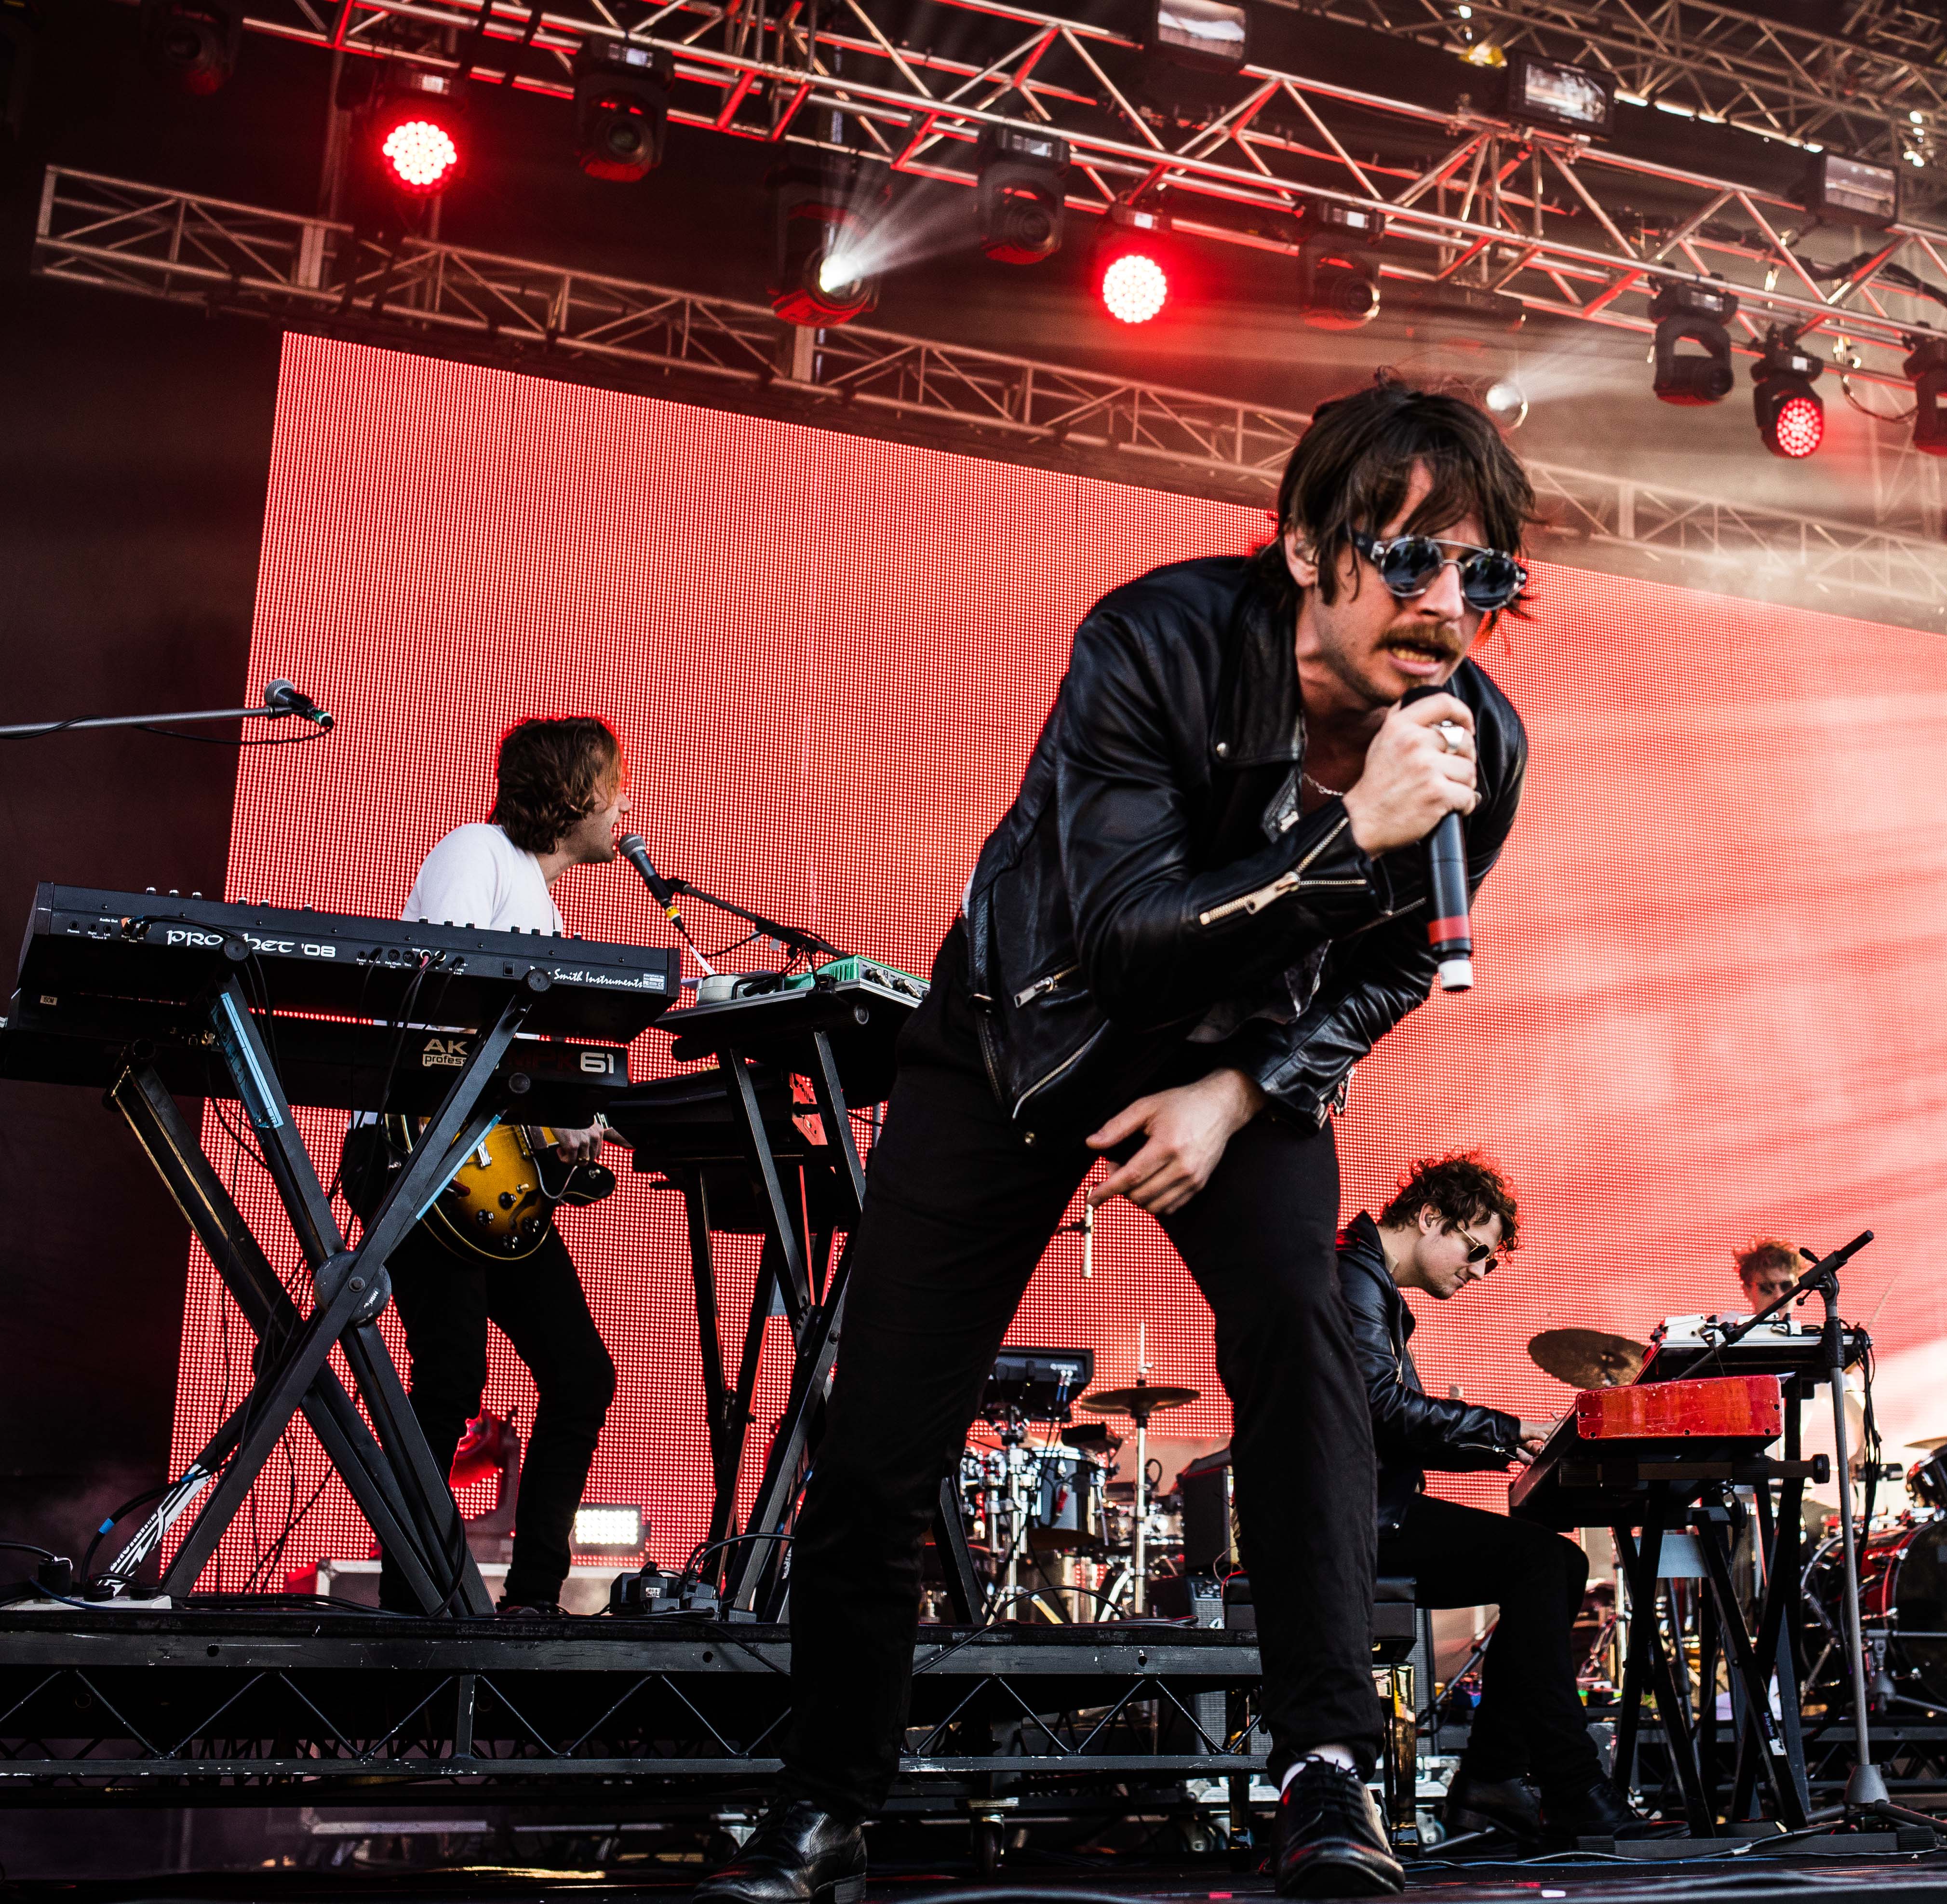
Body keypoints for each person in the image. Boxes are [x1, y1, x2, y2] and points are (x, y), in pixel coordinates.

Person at [699, 379, 1534, 1904]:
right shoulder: (1155, 642)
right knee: (883, 1423)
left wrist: (1243, 1093)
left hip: (1234, 1059)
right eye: (1409, 557)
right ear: (1305, 547)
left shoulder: (1475, 745)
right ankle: (825, 1800)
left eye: (1481, 572)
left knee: (1306, 1335)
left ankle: (1326, 1769)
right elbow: (1123, 929)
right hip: (1023, 1033)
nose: (1444, 604)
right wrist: (1348, 835)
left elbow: (1394, 967)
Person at [376, 714, 625, 1616]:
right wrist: (546, 1111)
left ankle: (532, 1601)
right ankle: (410, 1603)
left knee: (581, 1375)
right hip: (425, 1159)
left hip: (495, 1180)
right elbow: (437, 1003)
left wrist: (564, 1122)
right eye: (614, 785)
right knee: (449, 1378)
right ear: (575, 794)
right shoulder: (474, 850)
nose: (626, 805)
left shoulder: (546, 908)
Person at [1336, 1152, 1633, 1845]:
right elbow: (1379, 1409)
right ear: (1430, 1217)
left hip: (1362, 1509)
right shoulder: (1352, 1278)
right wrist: (1501, 1431)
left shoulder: (1366, 1280)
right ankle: (1557, 1782)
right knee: (1543, 1563)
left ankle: (1496, 1778)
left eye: (1487, 1264)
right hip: (1346, 1521)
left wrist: (1504, 1440)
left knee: (1552, 1564)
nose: (1476, 1272)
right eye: (1474, 1251)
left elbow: (1384, 1423)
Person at [1731, 1237, 1802, 1317]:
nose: (1779, 1296)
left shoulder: (1809, 1326)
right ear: (1748, 1291)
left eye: (1786, 1286)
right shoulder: (1731, 1323)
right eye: (1767, 1287)